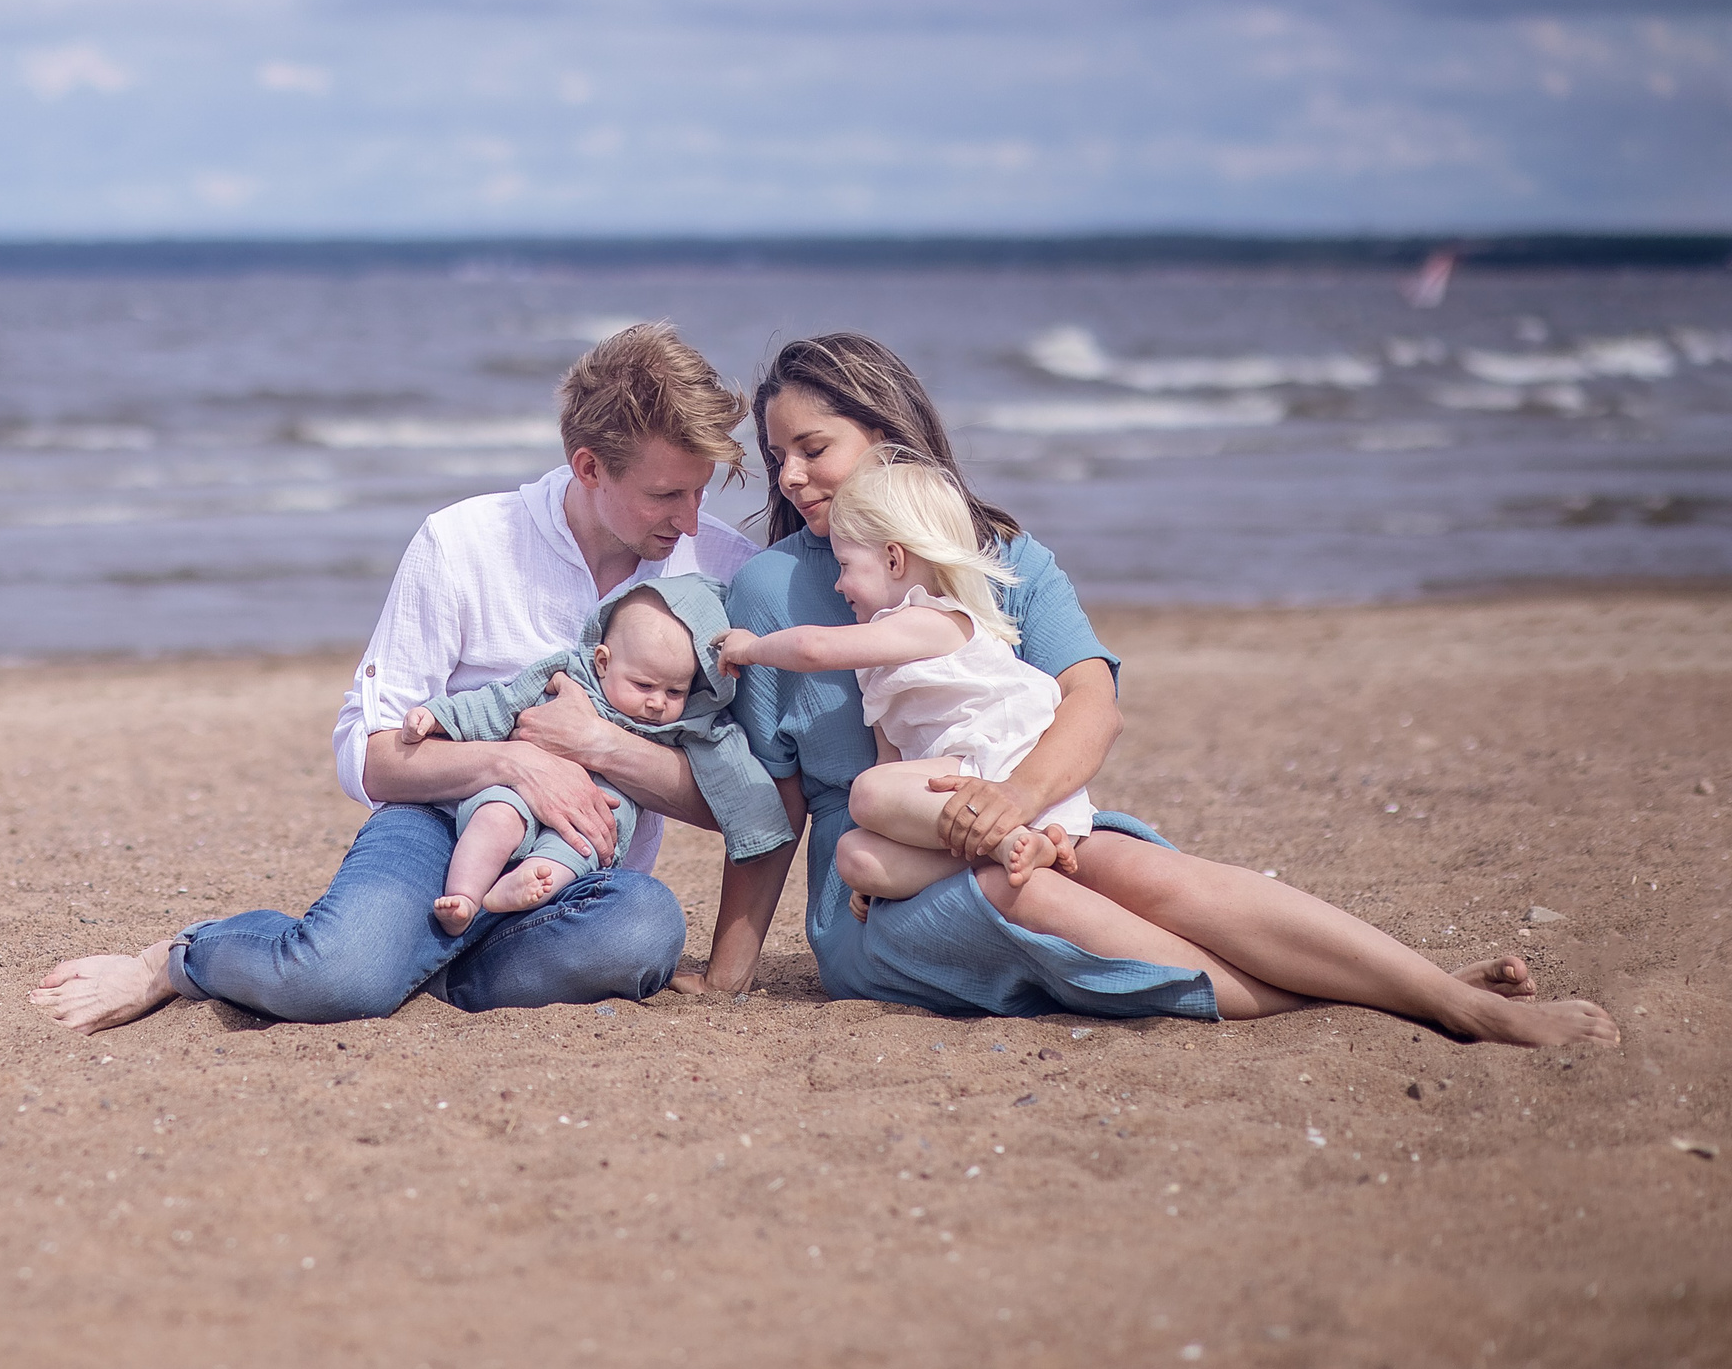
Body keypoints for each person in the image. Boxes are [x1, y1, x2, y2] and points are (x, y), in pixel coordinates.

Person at [683, 331, 1618, 1049]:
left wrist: (1013, 800)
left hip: (1028, 808)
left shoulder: (1001, 557)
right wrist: (728, 976)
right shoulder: (772, 593)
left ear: (885, 435)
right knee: (1033, 898)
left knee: (1149, 873)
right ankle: (1414, 998)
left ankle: (1428, 992)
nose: (792, 476)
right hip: (882, 891)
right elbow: (778, 806)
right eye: (778, 458)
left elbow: (1093, 704)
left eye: (815, 446)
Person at [33, 323, 760, 1032]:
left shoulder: (721, 571)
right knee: (333, 978)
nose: (691, 521)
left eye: (702, 491)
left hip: (571, 870)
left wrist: (600, 748)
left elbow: (744, 799)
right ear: (588, 466)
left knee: (646, 929)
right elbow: (366, 753)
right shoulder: (464, 542)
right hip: (435, 822)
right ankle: (181, 959)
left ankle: (408, 968)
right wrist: (515, 761)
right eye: (666, 495)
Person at [715, 448, 1088, 906]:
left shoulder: (935, 621)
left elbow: (815, 648)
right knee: (855, 855)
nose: (837, 584)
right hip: (957, 785)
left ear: (894, 560)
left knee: (867, 794)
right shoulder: (879, 660)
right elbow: (891, 760)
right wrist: (877, 873)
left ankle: (1007, 839)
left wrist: (751, 647)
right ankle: (1017, 849)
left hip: (1000, 762)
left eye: (846, 567)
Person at [404, 574, 791, 934]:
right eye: (643, 685)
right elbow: (500, 703)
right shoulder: (568, 676)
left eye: (675, 692)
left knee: (579, 850)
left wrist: (761, 830)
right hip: (520, 792)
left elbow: (732, 774)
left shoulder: (685, 725)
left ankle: (525, 885)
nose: (657, 702)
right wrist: (437, 717)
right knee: (496, 816)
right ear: (604, 662)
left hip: (594, 820)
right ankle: (465, 898)